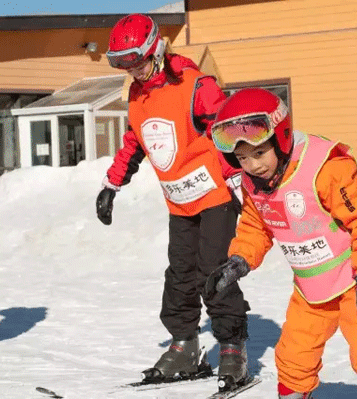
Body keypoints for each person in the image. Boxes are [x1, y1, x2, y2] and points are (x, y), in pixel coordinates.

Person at [205, 88, 357, 399]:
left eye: (258, 153)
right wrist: (239, 260)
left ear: (280, 138)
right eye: (242, 158)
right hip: (312, 288)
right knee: (294, 356)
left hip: (356, 282)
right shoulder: (254, 183)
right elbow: (256, 224)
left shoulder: (324, 168)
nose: (253, 166)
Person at [96, 14, 249, 390]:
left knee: (213, 270)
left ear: (156, 50)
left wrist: (241, 179)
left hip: (215, 196)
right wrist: (111, 185)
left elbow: (227, 130)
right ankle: (184, 346)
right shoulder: (138, 93)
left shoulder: (196, 86)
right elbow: (135, 141)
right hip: (180, 202)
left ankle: (232, 347)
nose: (133, 71)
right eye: (123, 64)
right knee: (180, 275)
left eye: (138, 61)